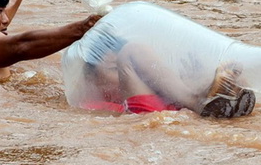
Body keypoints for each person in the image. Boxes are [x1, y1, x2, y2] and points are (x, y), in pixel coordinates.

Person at [82, 36, 256, 118]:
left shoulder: (164, 88)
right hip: (143, 114)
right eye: (115, 68)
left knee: (234, 81)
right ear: (95, 82)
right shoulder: (92, 106)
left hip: (178, 114)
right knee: (132, 50)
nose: (123, 75)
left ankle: (207, 98)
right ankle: (198, 100)